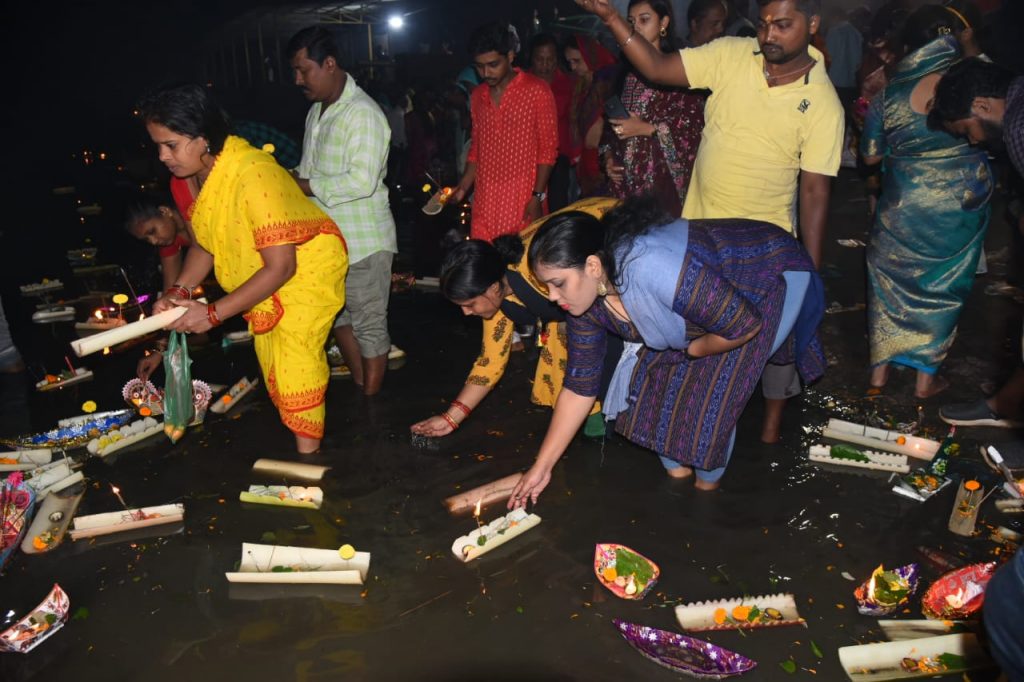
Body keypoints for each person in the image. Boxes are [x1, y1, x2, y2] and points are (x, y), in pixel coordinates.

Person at [573, 0, 843, 443]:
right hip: (700, 233)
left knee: (780, 334)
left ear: (813, 24)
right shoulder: (733, 54)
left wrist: (808, 266)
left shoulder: (824, 104)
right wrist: (610, 18)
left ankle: (773, 425)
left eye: (783, 25)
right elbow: (658, 67)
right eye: (763, 24)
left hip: (762, 243)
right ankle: (700, 419)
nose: (769, 35)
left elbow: (815, 190)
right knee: (708, 332)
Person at [508, 197, 825, 506]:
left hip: (763, 278)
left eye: (558, 283)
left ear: (592, 265)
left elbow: (743, 324)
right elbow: (579, 386)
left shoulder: (654, 269)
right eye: (546, 286)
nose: (552, 297)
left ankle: (706, 498)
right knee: (652, 393)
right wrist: (542, 466)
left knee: (710, 404)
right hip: (702, 306)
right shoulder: (584, 305)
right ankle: (679, 487)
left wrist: (698, 349)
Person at [139, 83, 347, 454]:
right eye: (158, 146)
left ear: (203, 139)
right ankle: (307, 455)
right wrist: (178, 293)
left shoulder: (253, 174)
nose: (162, 156)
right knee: (276, 371)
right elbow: (207, 242)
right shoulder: (190, 180)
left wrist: (213, 315)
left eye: (170, 145)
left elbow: (282, 267)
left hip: (304, 273)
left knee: (296, 370)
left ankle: (310, 470)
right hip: (267, 274)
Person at [860, 10, 994, 399]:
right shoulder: (968, 85)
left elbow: (869, 156)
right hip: (961, 200)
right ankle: (925, 379)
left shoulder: (889, 93)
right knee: (945, 286)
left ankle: (879, 375)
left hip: (903, 203)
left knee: (887, 284)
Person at [410, 197, 622, 439]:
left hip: (610, 232)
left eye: (469, 304)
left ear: (491, 288)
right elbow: (490, 362)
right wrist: (450, 419)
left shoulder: (542, 270)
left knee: (598, 336)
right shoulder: (497, 289)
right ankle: (594, 410)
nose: (466, 313)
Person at [287, 27, 398, 396]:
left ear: (330, 64)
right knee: (339, 318)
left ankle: (374, 406)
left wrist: (304, 185)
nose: (298, 79)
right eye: (296, 71)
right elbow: (308, 169)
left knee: (368, 324)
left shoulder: (362, 114)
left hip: (364, 241)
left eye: (304, 70)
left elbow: (361, 181)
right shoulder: (317, 111)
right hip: (327, 242)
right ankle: (363, 386)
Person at [929, 56, 1024, 452]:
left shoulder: (1018, 128)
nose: (972, 140)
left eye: (966, 130)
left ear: (982, 106)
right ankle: (1006, 405)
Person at [603, 0, 719, 216]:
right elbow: (610, 130)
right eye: (631, 21)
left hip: (663, 191)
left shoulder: (679, 70)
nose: (635, 27)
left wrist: (648, 129)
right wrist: (609, 158)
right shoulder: (625, 74)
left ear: (663, 23)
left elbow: (694, 132)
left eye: (644, 20)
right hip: (626, 190)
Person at [452, 22, 558, 242]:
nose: (485, 73)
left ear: (510, 56)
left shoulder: (537, 90)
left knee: (519, 269)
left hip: (522, 200)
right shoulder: (478, 96)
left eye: (493, 64)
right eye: (479, 67)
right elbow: (477, 149)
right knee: (487, 269)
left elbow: (548, 150)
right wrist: (462, 187)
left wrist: (537, 196)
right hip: (485, 200)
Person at [124, 196, 194, 380]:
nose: (154, 241)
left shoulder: (199, 218)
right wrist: (159, 351)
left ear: (165, 211)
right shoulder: (170, 244)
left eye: (152, 231)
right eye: (147, 239)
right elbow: (170, 300)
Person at [565, 36, 618, 197]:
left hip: (603, 159)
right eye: (569, 62)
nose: (573, 67)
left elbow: (615, 122)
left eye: (577, 61)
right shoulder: (580, 86)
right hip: (586, 161)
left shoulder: (608, 82)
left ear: (590, 56)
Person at [529, 33, 576, 212]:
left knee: (557, 206)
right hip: (527, 157)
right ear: (532, 59)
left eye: (550, 59)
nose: (545, 65)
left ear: (557, 59)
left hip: (558, 159)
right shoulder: (521, 84)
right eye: (540, 59)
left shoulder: (568, 84)